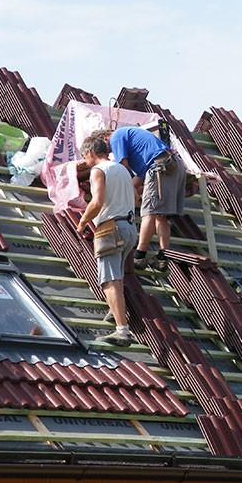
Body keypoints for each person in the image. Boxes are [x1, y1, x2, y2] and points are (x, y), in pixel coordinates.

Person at [76, 132, 138, 343]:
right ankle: (115, 310)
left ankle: (122, 331)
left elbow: (97, 201)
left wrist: (83, 221)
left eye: (85, 157)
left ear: (91, 153)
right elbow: (135, 198)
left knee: (109, 280)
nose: (85, 161)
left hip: (111, 228)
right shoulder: (123, 169)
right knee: (117, 276)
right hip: (130, 228)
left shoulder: (98, 170)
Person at [108, 125, 186, 271]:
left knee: (148, 212)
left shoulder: (116, 136)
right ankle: (163, 256)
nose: (111, 152)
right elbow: (138, 178)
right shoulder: (137, 143)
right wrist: (131, 188)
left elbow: (123, 168)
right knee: (161, 215)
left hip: (160, 167)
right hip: (174, 165)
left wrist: (124, 192)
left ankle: (139, 255)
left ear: (105, 137)